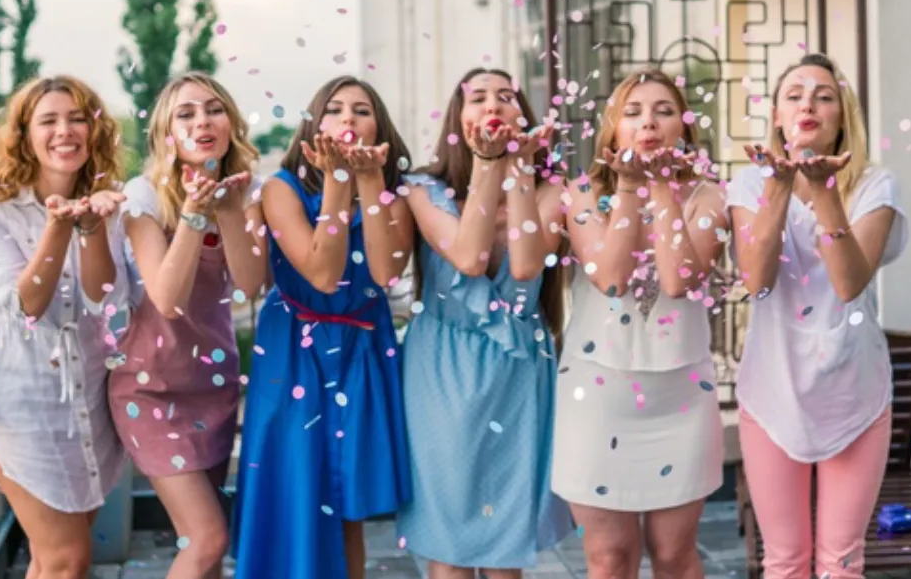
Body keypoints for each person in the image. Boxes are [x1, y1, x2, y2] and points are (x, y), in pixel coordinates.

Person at [727, 53, 907, 579]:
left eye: (824, 96)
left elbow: (850, 283)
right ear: (779, 119)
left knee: (841, 560)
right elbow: (756, 280)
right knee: (783, 560)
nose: (809, 102)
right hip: (771, 391)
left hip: (855, 392)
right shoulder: (748, 186)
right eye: (795, 95)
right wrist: (778, 189)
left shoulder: (876, 185)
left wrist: (825, 192)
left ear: (842, 117)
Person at [231, 76, 414, 579]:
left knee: (345, 500)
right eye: (335, 109)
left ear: (379, 126)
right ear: (316, 124)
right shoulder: (280, 189)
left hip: (361, 348)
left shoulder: (395, 194)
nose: (349, 118)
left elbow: (385, 272)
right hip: (293, 347)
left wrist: (370, 184)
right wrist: (336, 182)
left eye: (362, 110)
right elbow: (321, 272)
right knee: (294, 486)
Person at [396, 67, 573, 579]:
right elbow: (470, 256)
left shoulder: (550, 190)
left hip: (517, 368)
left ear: (523, 115)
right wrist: (487, 165)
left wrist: (517, 170)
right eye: (478, 97)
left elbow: (523, 265)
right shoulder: (421, 190)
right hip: (441, 366)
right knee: (448, 545)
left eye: (507, 96)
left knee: (503, 548)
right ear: (459, 117)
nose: (494, 104)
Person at [551, 69, 726, 579]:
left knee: (673, 556)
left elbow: (677, 280)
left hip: (682, 399)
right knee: (609, 560)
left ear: (685, 130)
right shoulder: (581, 194)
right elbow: (611, 278)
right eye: (633, 112)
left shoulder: (709, 197)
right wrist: (629, 187)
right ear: (612, 132)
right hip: (597, 399)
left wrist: (663, 187)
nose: (648, 122)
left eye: (664, 110)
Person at [0, 75, 129, 579]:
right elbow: (22, 307)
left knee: (55, 560)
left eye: (77, 118)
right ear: (24, 134)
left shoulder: (108, 199)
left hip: (92, 398)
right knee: (67, 560)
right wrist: (59, 229)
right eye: (49, 120)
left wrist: (92, 227)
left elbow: (106, 299)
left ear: (94, 130)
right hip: (26, 402)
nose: (65, 131)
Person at [107, 72, 266, 579]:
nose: (203, 121)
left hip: (212, 385)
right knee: (208, 537)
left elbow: (249, 284)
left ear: (231, 123)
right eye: (186, 113)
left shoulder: (248, 191)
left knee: (208, 550)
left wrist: (230, 210)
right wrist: (195, 215)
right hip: (148, 390)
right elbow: (167, 298)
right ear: (166, 135)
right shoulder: (144, 196)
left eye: (214, 109)